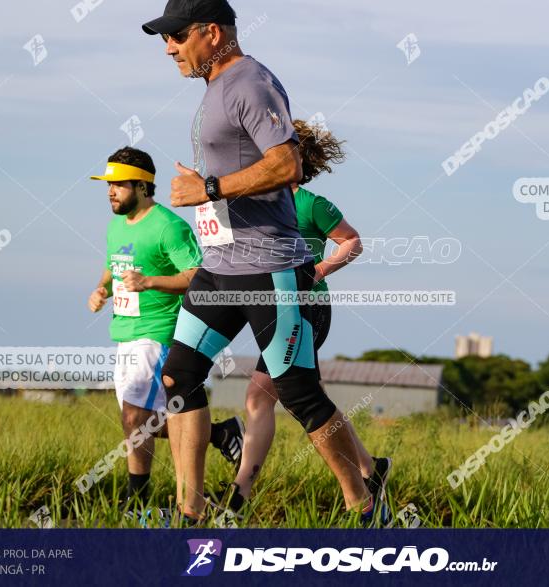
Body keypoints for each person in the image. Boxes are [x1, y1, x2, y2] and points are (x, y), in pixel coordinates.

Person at [141, 0, 380, 526]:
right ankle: (191, 511)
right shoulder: (214, 88)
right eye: (165, 38)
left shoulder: (249, 81)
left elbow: (286, 162)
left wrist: (209, 186)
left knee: (298, 392)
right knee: (179, 378)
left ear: (212, 31)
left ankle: (364, 506)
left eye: (177, 36)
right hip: (220, 266)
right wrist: (208, 194)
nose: (168, 48)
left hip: (270, 269)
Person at [217, 120, 391, 522]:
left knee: (271, 398)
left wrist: (321, 270)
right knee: (297, 399)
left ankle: (239, 496)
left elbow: (352, 239)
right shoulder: (254, 201)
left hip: (307, 309)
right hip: (273, 308)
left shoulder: (311, 203)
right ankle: (370, 468)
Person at [86, 146, 244, 521]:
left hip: (157, 333)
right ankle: (221, 434)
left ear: (142, 186)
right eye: (107, 185)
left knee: (132, 418)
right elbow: (113, 265)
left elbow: (197, 276)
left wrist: (150, 281)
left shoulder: (169, 226)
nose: (110, 192)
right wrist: (101, 289)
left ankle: (135, 503)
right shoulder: (115, 226)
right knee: (141, 422)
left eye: (118, 185)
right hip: (124, 333)